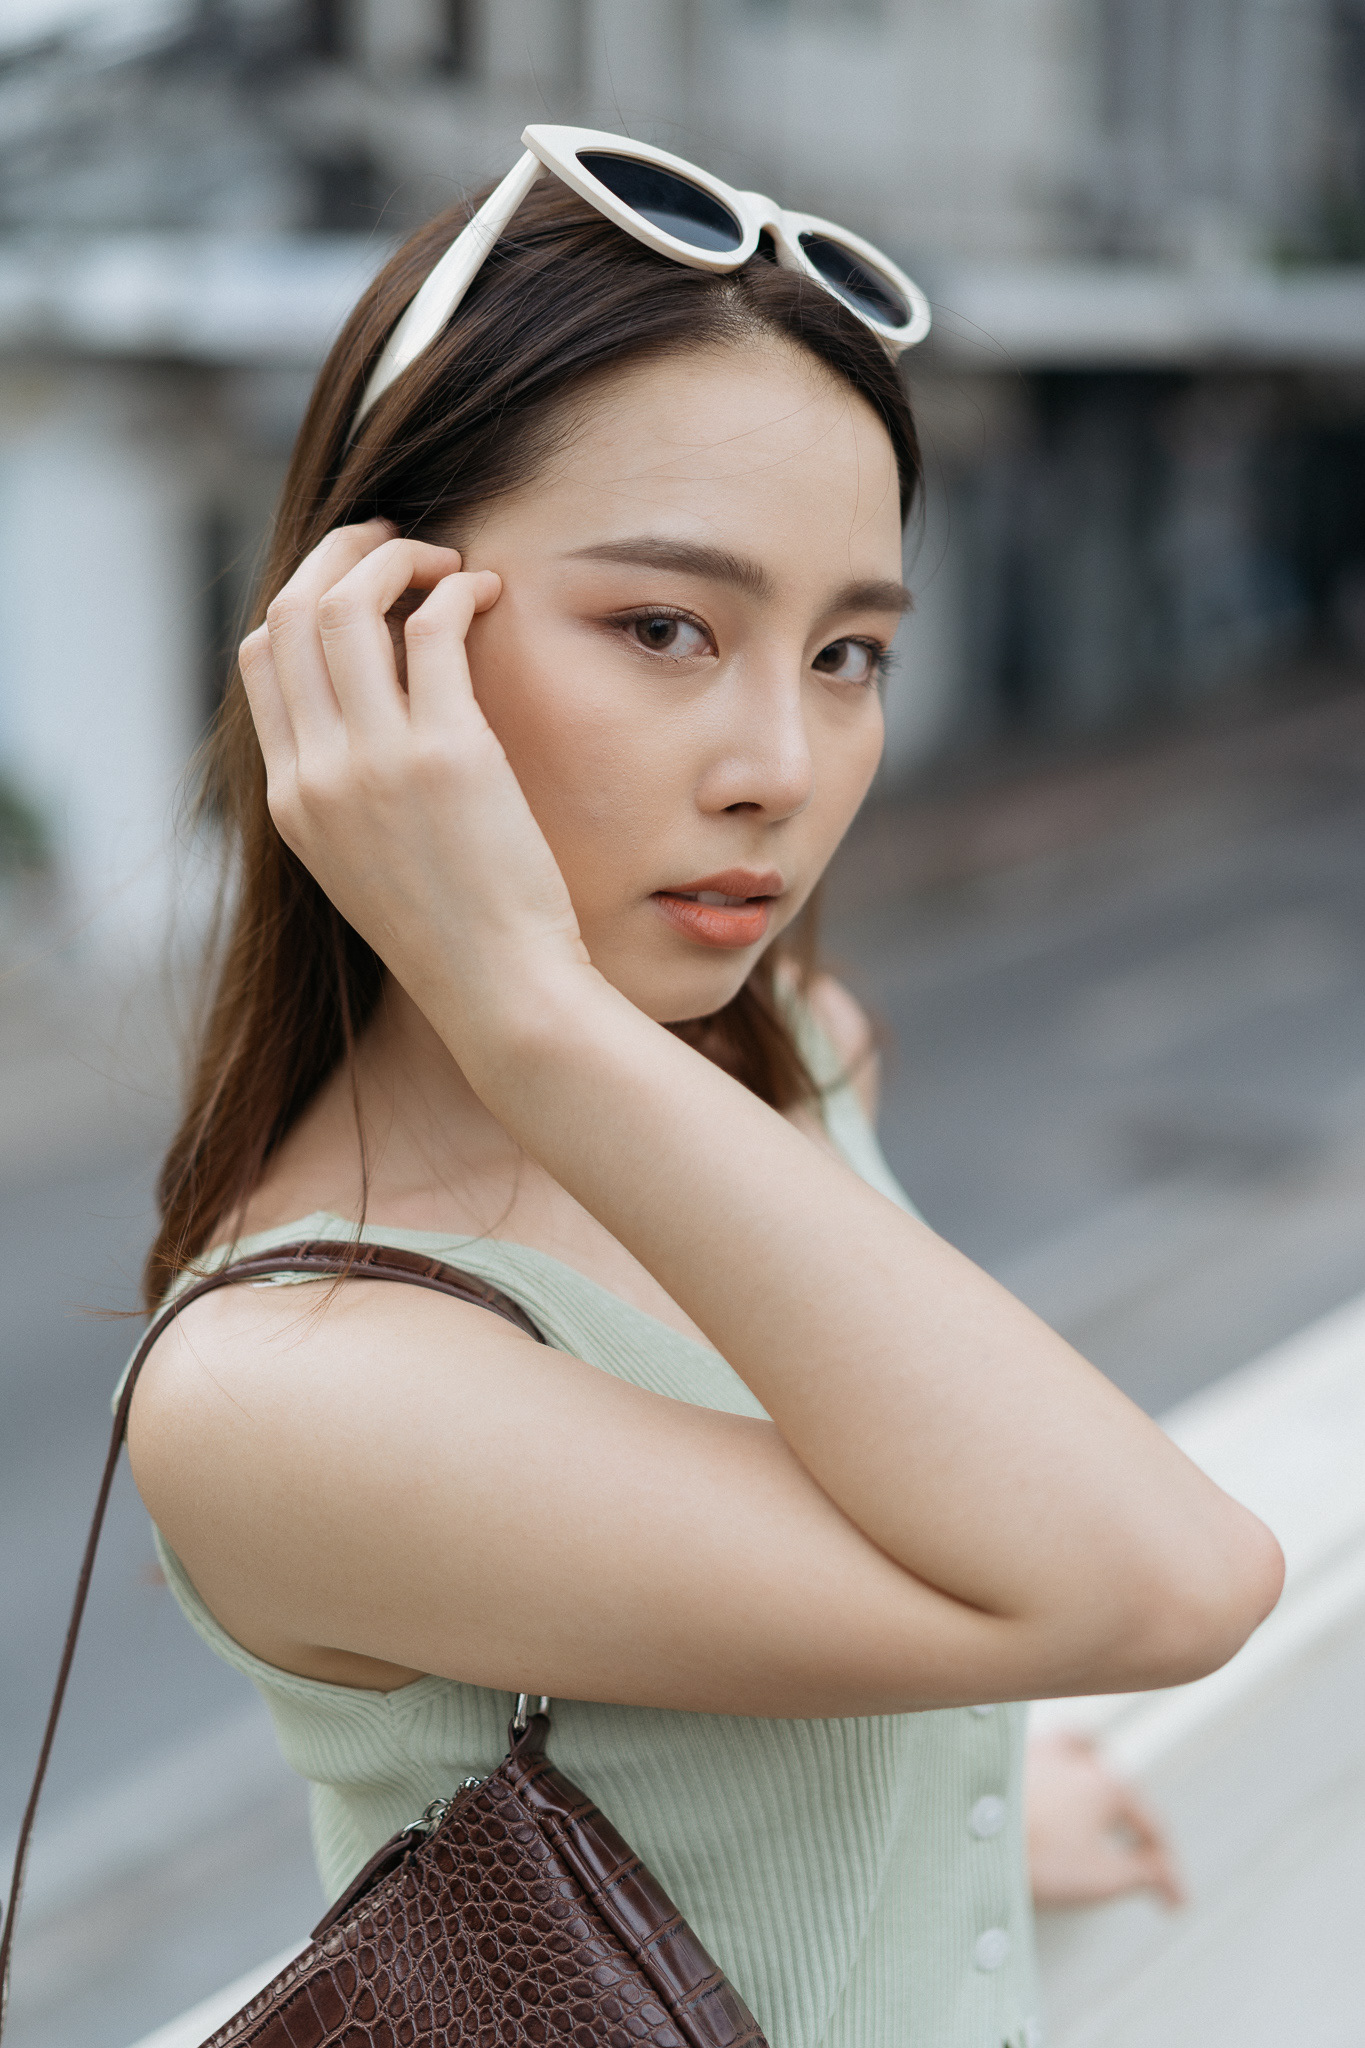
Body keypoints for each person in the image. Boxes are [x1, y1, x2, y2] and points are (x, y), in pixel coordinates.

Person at [125, 134, 1280, 2048]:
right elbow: (1165, 1580)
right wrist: (524, 1009)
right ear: (369, 639)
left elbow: (927, 1579)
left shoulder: (792, 1051)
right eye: (663, 627)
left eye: (848, 652)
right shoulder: (292, 1381)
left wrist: (961, 1824)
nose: (779, 764)